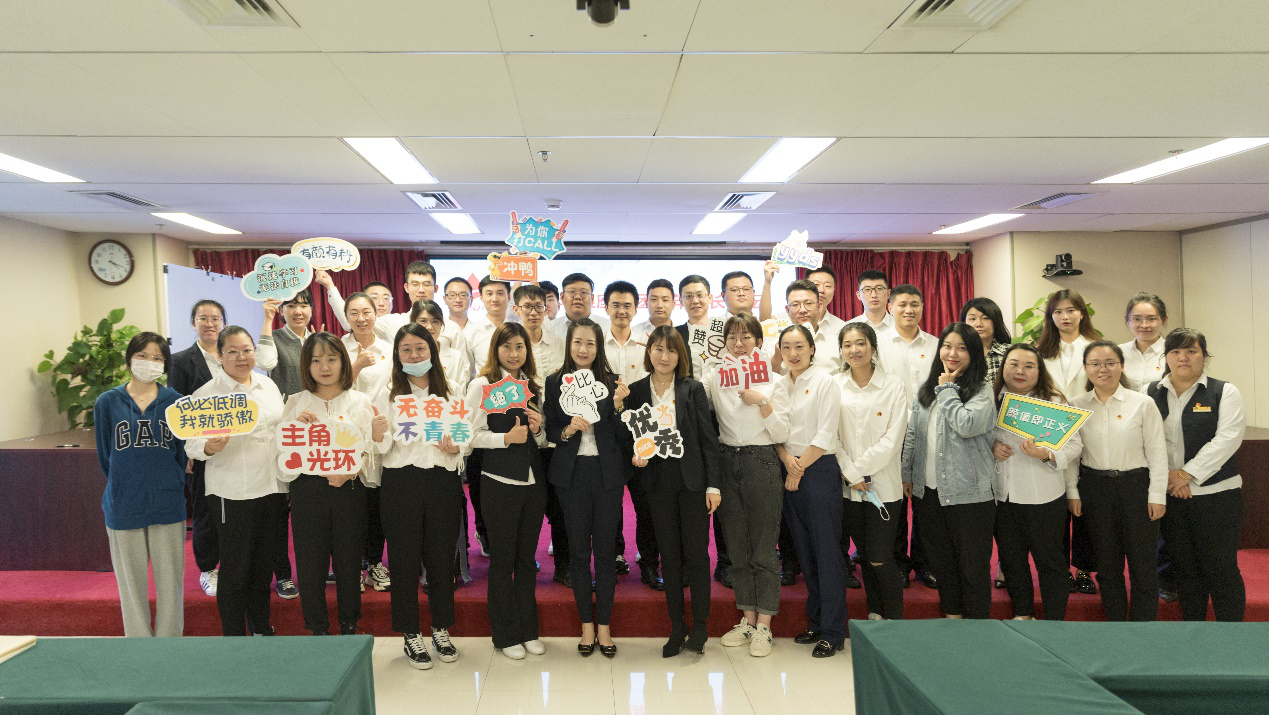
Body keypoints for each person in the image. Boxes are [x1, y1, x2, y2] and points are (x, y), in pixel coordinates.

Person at [625, 326, 722, 658]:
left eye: (671, 350)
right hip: (657, 483)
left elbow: (708, 439)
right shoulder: (637, 391)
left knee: (696, 555)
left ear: (681, 356)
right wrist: (635, 454)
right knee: (669, 556)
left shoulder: (692, 389)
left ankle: (700, 627)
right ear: (648, 352)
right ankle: (676, 627)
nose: (664, 356)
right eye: (658, 349)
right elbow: (631, 436)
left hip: (692, 482)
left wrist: (713, 484)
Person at [373, 323, 465, 668]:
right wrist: (377, 434)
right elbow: (380, 447)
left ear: (432, 351)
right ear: (397, 355)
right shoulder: (387, 393)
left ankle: (441, 627)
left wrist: (457, 447)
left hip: (442, 481)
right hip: (401, 482)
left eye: (420, 349)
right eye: (406, 350)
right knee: (404, 561)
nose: (414, 356)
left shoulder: (452, 390)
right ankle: (410, 632)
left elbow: (464, 436)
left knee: (441, 559)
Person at [186, 326, 287, 636]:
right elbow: (191, 445)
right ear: (220, 355)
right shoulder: (207, 395)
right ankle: (233, 636)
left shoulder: (268, 385)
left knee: (262, 566)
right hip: (231, 494)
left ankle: (261, 627)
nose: (242, 357)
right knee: (235, 569)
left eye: (247, 350)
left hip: (272, 489)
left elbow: (281, 429)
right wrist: (207, 446)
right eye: (232, 351)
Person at [279, 333, 375, 636]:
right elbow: (282, 461)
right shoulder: (296, 402)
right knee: (311, 563)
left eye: (331, 359)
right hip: (308, 492)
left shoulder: (360, 402)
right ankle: (317, 626)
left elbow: (371, 452)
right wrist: (295, 429)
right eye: (316, 360)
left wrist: (352, 471)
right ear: (306, 366)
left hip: (349, 490)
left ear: (343, 362)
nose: (324, 367)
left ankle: (350, 623)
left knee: (349, 560)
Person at [1149, 328, 1247, 622]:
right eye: (1175, 351)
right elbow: (1147, 439)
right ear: (1166, 357)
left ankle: (1232, 633)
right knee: (1185, 568)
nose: (1183, 358)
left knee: (1220, 566)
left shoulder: (1224, 391)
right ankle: (1195, 630)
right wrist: (1171, 477)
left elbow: (1227, 438)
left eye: (1191, 351)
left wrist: (1186, 474)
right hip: (1172, 495)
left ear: (1204, 356)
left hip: (1217, 495)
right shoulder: (1150, 392)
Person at [545, 318, 629, 658]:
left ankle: (604, 625)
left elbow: (625, 437)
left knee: (606, 552)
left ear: (599, 347)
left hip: (607, 473)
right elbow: (551, 429)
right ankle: (586, 626)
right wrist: (567, 430)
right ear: (569, 345)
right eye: (577, 342)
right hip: (572, 473)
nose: (583, 349)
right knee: (578, 552)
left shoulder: (613, 382)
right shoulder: (554, 382)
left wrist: (619, 407)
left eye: (590, 344)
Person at [94, 332, 187, 637]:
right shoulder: (108, 402)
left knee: (170, 583)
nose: (150, 362)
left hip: (167, 501)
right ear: (130, 358)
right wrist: (125, 483)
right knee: (131, 586)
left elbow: (181, 453)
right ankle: (139, 646)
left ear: (165, 364)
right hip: (124, 503)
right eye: (143, 356)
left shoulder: (176, 402)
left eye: (157, 358)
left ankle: (169, 645)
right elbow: (105, 456)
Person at [902, 323, 997, 620]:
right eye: (947, 346)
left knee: (972, 566)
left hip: (969, 493)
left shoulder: (981, 390)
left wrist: (947, 391)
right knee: (942, 562)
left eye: (962, 348)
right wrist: (907, 473)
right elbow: (913, 434)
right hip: (929, 492)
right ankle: (953, 618)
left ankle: (977, 626)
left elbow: (967, 425)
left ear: (974, 353)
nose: (952, 353)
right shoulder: (926, 389)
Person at [465, 323, 548, 660]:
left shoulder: (531, 386)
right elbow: (468, 436)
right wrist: (504, 439)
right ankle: (505, 634)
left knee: (526, 560)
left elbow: (541, 441)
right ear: (495, 349)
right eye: (507, 347)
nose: (514, 354)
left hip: (533, 482)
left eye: (520, 347)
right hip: (498, 482)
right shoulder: (482, 385)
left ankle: (529, 630)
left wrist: (538, 430)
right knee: (502, 561)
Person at [708, 313, 789, 657]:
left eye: (745, 337)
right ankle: (748, 620)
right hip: (727, 461)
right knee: (737, 548)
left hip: (762, 460)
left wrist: (762, 402)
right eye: (732, 337)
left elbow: (782, 432)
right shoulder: (715, 377)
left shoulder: (774, 379)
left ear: (758, 341)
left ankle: (765, 626)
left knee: (763, 548)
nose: (738, 344)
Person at [1072, 340, 1168, 622]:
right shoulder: (1076, 406)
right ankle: (1116, 623)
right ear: (1085, 368)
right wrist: (1071, 492)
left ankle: (1143, 625)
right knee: (1107, 564)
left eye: (1110, 363)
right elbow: (1072, 454)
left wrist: (1157, 495)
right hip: (1095, 489)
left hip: (1136, 487)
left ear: (1121, 366)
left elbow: (1157, 452)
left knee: (1142, 564)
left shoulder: (1142, 403)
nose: (1103, 369)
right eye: (1095, 364)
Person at [991, 343, 1083, 621]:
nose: (1020, 371)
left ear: (1040, 371)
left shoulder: (1054, 401)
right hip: (1003, 496)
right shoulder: (990, 399)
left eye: (1029, 366)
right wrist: (990, 447)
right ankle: (1023, 614)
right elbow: (974, 438)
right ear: (1003, 367)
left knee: (1050, 562)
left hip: (1044, 496)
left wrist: (1046, 453)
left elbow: (1075, 445)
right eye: (1014, 364)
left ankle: (1054, 621)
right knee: (1012, 560)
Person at [773, 324, 844, 657]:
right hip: (790, 469)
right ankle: (816, 621)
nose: (793, 353)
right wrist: (788, 461)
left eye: (799, 346)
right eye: (786, 347)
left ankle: (833, 631)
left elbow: (826, 434)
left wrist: (797, 468)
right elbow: (774, 432)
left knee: (826, 553)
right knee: (805, 552)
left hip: (818, 471)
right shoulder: (779, 384)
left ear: (812, 349)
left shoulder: (825, 382)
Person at [835, 322, 909, 622]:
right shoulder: (834, 385)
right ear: (841, 350)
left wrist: (857, 470)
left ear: (873, 347)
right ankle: (876, 612)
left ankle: (895, 621)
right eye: (848, 344)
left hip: (883, 487)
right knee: (865, 555)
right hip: (848, 489)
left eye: (861, 343)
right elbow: (829, 435)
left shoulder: (893, 386)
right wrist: (850, 473)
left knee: (880, 557)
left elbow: (893, 440)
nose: (854, 350)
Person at [1036, 289, 1101, 596]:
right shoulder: (1040, 351)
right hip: (1050, 431)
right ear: (1051, 316)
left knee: (1086, 507)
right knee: (1056, 509)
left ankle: (1085, 570)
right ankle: (1060, 569)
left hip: (1090, 429)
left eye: (1071, 310)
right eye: (1058, 311)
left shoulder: (1095, 347)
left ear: (1081, 313)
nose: (1065, 316)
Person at [874, 284, 938, 589]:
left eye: (915, 304)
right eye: (902, 304)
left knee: (926, 502)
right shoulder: (878, 344)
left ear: (923, 307)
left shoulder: (937, 344)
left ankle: (925, 563)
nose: (908, 310)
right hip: (893, 432)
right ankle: (898, 563)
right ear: (890, 307)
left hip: (929, 432)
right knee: (894, 500)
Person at [169, 299, 227, 597]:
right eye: (203, 318)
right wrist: (186, 450)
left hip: (233, 446)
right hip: (200, 449)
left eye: (215, 318)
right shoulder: (180, 361)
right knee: (205, 511)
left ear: (223, 323)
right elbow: (176, 408)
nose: (209, 323)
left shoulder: (232, 356)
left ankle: (231, 564)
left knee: (232, 511)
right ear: (193, 324)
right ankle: (208, 569)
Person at [513, 285, 569, 586]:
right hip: (523, 438)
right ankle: (524, 562)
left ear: (547, 308)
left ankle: (564, 566)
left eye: (539, 306)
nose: (533, 312)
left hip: (557, 438)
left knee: (560, 507)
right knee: (526, 507)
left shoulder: (561, 343)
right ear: (516, 309)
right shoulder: (513, 346)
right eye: (527, 307)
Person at [603, 281, 655, 584]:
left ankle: (649, 561)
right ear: (606, 307)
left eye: (627, 305)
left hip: (640, 430)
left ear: (636, 309)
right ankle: (616, 554)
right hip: (608, 432)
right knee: (610, 502)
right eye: (616, 305)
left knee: (645, 503)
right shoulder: (598, 345)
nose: (621, 311)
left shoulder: (647, 344)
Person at [343, 292, 394, 594]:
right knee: (350, 506)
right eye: (354, 313)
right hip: (347, 433)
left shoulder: (389, 349)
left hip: (381, 432)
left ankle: (375, 562)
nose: (361, 318)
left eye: (367, 312)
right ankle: (352, 566)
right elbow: (332, 386)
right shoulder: (339, 347)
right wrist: (357, 365)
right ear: (346, 317)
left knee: (377, 506)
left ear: (376, 314)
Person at [320, 261, 467, 353]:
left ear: (435, 288)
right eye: (415, 284)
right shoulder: (392, 322)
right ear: (406, 287)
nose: (421, 290)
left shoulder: (451, 327)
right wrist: (330, 286)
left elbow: (464, 368)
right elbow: (351, 323)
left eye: (427, 284)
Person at [412, 300, 472, 394]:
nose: (429, 327)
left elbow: (460, 393)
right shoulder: (406, 356)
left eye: (435, 321)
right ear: (413, 323)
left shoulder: (455, 356)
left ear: (441, 325)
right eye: (423, 321)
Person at [464, 276, 514, 378]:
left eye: (500, 293)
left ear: (509, 297)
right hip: (483, 386)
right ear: (481, 298)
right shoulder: (470, 333)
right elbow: (468, 371)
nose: (495, 299)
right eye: (489, 294)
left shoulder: (518, 330)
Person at [1120, 293, 1169, 392]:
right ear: (1127, 320)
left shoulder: (1172, 352)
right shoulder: (1118, 352)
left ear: (1164, 320)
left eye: (1151, 319)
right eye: (1137, 319)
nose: (1144, 325)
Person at [961, 297, 1011, 388]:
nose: (979, 324)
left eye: (985, 318)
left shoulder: (1010, 353)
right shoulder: (957, 354)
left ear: (995, 322)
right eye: (972, 319)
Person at [675, 274, 714, 379]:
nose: (695, 301)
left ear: (710, 298)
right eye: (689, 296)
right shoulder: (674, 335)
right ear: (681, 301)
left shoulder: (726, 331)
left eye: (700, 295)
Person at [553, 273, 610, 339]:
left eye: (583, 292)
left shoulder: (608, 327)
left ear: (592, 298)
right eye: (572, 292)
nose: (577, 297)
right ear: (562, 297)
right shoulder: (550, 328)